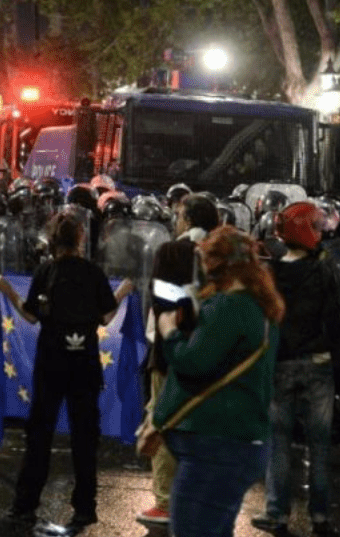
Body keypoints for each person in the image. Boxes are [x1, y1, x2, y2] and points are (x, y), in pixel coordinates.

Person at [0, 211, 133, 534]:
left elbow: (29, 317)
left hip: (50, 363)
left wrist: (6, 290)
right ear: (81, 239)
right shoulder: (92, 272)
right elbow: (104, 317)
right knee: (85, 439)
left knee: (39, 435)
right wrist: (123, 292)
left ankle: (24, 505)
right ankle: (85, 508)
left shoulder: (46, 271)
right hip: (84, 363)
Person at [154, 225, 281, 537]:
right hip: (234, 445)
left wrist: (169, 332)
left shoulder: (230, 307)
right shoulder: (258, 306)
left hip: (215, 449)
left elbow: (193, 361)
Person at [251, 203, 339, 536]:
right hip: (319, 365)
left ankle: (278, 515)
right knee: (319, 445)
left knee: (279, 442)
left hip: (281, 365)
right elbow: (335, 319)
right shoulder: (323, 269)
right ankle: (320, 518)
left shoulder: (270, 272)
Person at [136, 241, 200, 528]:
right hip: (200, 362)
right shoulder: (206, 287)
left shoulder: (171, 258)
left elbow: (160, 303)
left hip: (166, 361)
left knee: (161, 425)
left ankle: (166, 503)